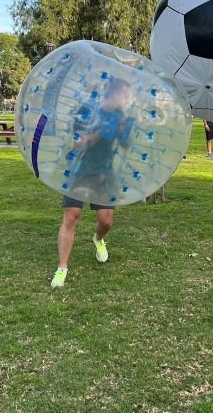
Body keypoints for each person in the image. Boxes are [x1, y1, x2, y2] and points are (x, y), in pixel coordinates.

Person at [51, 79, 134, 288]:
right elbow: (77, 143)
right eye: (124, 95)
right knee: (71, 216)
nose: (126, 100)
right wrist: (99, 132)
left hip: (104, 172)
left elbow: (124, 145)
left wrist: (124, 130)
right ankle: (62, 268)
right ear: (113, 93)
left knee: (106, 221)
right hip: (79, 170)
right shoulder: (86, 110)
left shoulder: (120, 115)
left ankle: (98, 239)